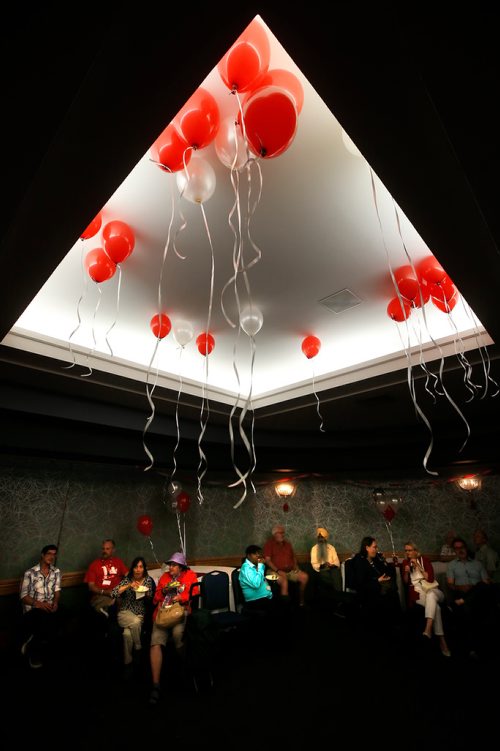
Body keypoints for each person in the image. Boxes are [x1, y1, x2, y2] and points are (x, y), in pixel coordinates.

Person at [149, 552, 198, 705]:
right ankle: (156, 684)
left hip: (179, 613)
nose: (170, 567)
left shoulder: (189, 575)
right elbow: (155, 598)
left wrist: (181, 597)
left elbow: (196, 592)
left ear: (181, 566)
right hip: (163, 614)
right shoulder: (164, 577)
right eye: (170, 564)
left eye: (174, 565)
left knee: (178, 636)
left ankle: (185, 667)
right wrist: (163, 592)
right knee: (155, 642)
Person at [402, 541, 451, 657]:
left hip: (433, 590)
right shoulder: (405, 563)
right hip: (418, 593)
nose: (407, 552)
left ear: (415, 551)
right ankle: (442, 641)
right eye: (406, 550)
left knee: (431, 595)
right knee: (437, 609)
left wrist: (418, 566)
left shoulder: (425, 560)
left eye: (410, 550)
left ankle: (428, 629)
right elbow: (405, 582)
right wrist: (406, 572)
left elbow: (430, 579)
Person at [20, 544, 62, 668]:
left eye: (54, 554)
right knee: (44, 621)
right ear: (43, 555)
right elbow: (23, 597)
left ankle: (39, 645)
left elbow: (57, 591)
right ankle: (33, 651)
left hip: (49, 606)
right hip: (34, 609)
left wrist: (55, 602)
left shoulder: (57, 571)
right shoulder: (30, 573)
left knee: (66, 613)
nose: (52, 557)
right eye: (49, 554)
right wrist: (40, 605)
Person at [111, 556, 155, 672]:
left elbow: (150, 599)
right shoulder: (128, 579)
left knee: (127, 634)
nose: (138, 570)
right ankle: (138, 647)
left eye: (140, 567)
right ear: (133, 568)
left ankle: (128, 663)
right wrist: (129, 586)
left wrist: (145, 594)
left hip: (140, 612)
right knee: (135, 623)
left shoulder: (148, 580)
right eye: (136, 567)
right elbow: (114, 593)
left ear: (144, 569)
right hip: (124, 613)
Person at [349, 536, 400, 626]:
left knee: (392, 592)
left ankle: (394, 623)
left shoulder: (375, 559)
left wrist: (384, 561)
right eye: (374, 547)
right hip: (367, 591)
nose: (376, 549)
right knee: (390, 594)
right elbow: (360, 583)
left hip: (378, 587)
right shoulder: (359, 560)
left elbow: (388, 571)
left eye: (376, 547)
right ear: (367, 548)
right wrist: (377, 580)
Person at [263, 524, 309, 606]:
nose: (283, 535)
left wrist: (295, 566)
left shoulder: (288, 544)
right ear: (275, 534)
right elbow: (267, 560)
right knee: (284, 581)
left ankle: (301, 600)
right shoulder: (269, 544)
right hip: (273, 571)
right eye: (280, 533)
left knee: (304, 577)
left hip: (289, 571)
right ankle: (285, 608)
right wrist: (278, 571)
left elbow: (293, 557)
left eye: (283, 533)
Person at [84, 538, 128, 617]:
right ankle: (106, 609)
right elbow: (91, 586)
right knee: (108, 603)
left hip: (117, 593)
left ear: (113, 550)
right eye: (103, 549)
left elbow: (128, 576)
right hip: (101, 594)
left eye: (107, 549)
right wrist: (104, 592)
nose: (104, 551)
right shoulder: (94, 564)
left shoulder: (118, 562)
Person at [239, 545, 273, 614]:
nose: (258, 556)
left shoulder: (254, 566)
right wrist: (260, 566)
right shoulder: (246, 568)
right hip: (255, 601)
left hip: (264, 598)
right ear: (248, 556)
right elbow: (256, 584)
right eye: (255, 554)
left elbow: (263, 582)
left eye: (259, 553)